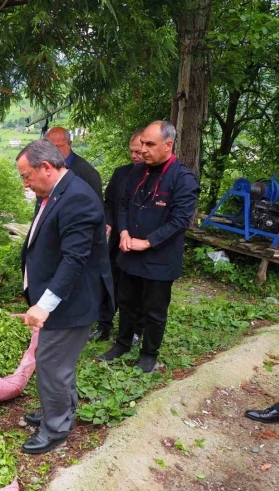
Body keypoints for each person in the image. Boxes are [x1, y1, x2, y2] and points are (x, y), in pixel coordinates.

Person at [17, 138, 114, 454]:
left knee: (51, 364)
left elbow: (74, 259)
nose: (25, 183)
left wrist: (44, 305)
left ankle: (56, 428)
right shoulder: (56, 191)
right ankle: (58, 411)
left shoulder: (77, 199)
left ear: (46, 167)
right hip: (61, 297)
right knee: (58, 363)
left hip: (71, 302)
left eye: (26, 175)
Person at [99, 121, 199, 373]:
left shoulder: (183, 179)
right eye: (142, 143)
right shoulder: (136, 172)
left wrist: (149, 241)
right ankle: (122, 344)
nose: (143, 149)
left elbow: (179, 221)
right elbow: (122, 204)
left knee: (154, 311)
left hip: (160, 258)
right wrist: (122, 231)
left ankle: (148, 354)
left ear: (168, 145)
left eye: (149, 144)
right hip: (129, 252)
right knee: (126, 301)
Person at [89, 130, 145, 343]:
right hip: (115, 243)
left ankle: (136, 330)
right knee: (110, 283)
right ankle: (104, 326)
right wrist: (109, 222)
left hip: (139, 243)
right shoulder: (121, 173)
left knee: (136, 290)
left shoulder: (154, 177)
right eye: (131, 151)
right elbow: (109, 202)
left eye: (138, 151)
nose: (134, 156)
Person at [45, 127, 103, 199]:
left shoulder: (88, 174)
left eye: (57, 146)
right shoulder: (44, 168)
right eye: (48, 147)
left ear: (69, 144)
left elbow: (96, 207)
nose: (52, 151)